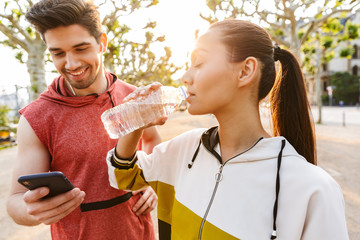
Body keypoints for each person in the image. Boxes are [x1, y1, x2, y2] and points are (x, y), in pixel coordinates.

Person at [105, 19, 349, 239]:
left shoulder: (312, 189)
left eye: (198, 63)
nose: (185, 77)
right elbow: (122, 176)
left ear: (245, 71)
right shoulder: (184, 149)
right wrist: (135, 121)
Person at [6, 0, 160, 239]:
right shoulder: (37, 117)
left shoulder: (133, 96)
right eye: (58, 53)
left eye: (80, 48)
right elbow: (15, 203)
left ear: (102, 43)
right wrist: (32, 210)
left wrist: (152, 183)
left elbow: (152, 142)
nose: (71, 64)